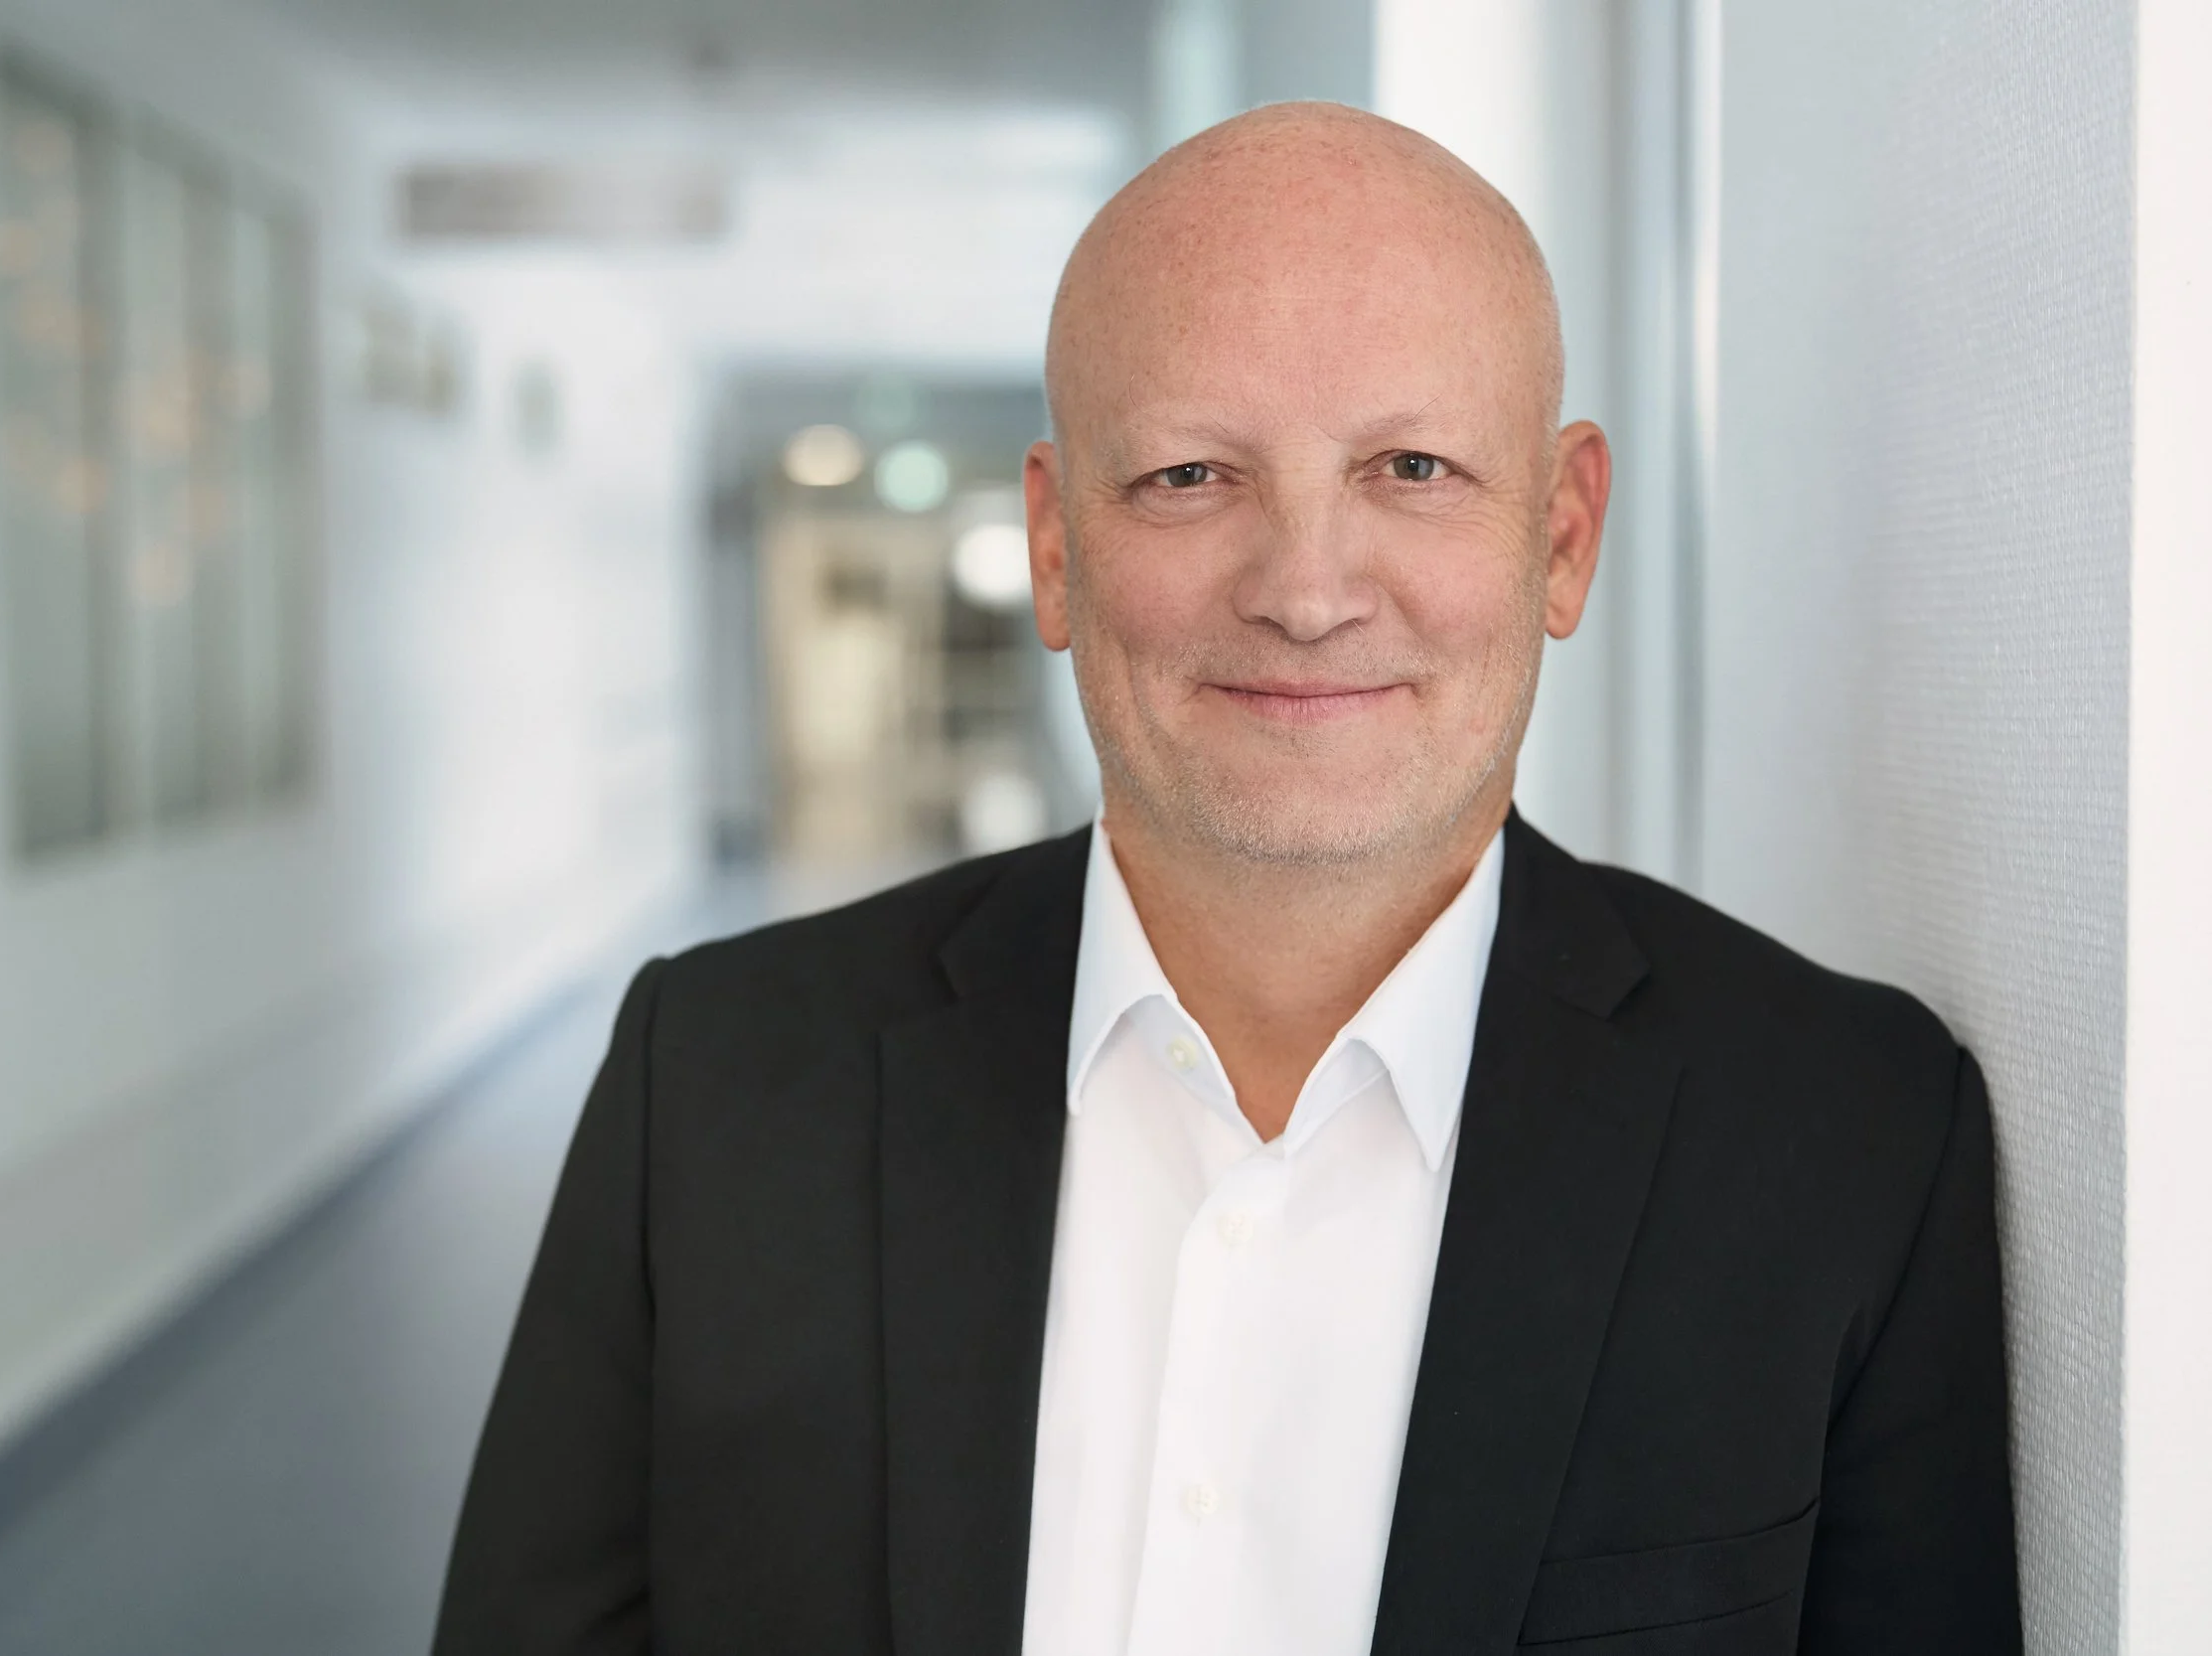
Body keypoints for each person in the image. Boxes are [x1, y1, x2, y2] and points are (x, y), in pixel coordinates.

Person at [433, 102, 2020, 1656]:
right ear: (1056, 547)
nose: (1306, 592)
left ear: (1561, 534)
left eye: (1412, 465)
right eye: (1191, 475)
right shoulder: (712, 1088)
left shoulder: (1847, 1142)